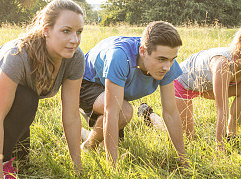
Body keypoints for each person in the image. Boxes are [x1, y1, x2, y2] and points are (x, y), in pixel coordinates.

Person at [0, 0, 85, 179]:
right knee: (26, 98)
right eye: (66, 31)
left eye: (78, 32)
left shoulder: (74, 58)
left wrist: (77, 168)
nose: (75, 39)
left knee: (23, 161)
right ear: (46, 30)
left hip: (12, 100)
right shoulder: (19, 54)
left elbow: (71, 114)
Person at [79, 21, 187, 165]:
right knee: (123, 112)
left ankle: (87, 137)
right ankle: (88, 146)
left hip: (110, 88)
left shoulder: (167, 64)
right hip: (85, 82)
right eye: (161, 59)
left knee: (113, 137)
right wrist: (114, 167)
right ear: (143, 51)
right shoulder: (120, 57)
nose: (167, 67)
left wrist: (184, 160)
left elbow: (171, 112)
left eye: (172, 59)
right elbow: (112, 112)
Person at [174, 22, 241, 149]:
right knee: (187, 139)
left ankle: (232, 134)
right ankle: (151, 117)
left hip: (210, 86)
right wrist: (220, 149)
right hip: (184, 84)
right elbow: (222, 111)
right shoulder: (223, 65)